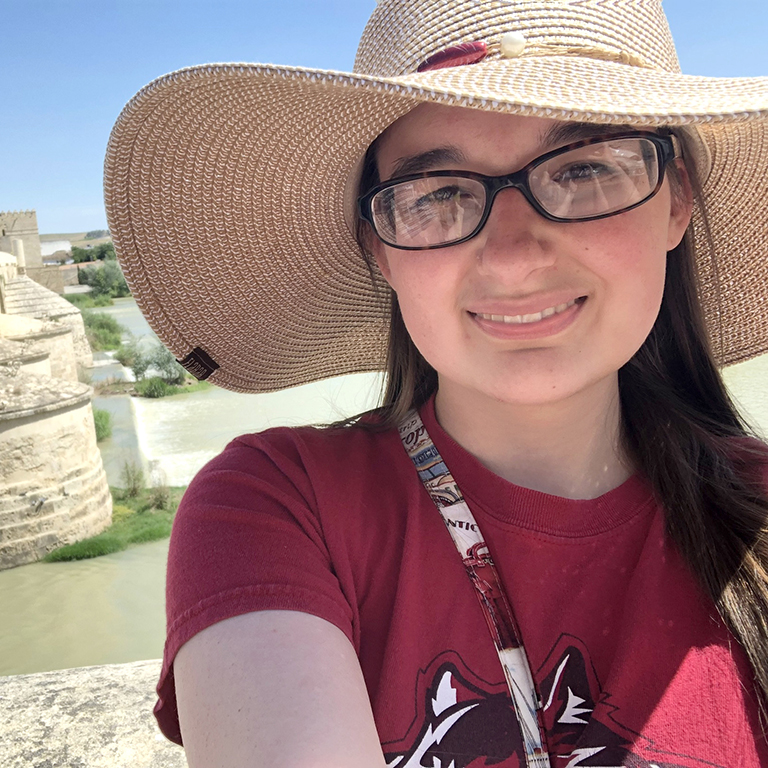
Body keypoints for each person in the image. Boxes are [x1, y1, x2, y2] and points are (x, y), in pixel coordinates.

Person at [104, 1, 768, 765]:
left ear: (677, 199)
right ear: (379, 250)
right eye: (439, 193)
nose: (515, 257)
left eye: (584, 167)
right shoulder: (279, 510)